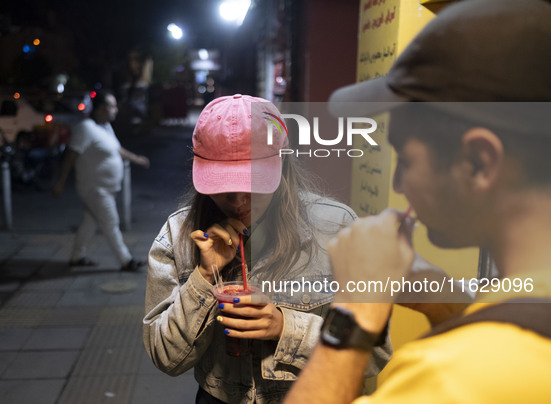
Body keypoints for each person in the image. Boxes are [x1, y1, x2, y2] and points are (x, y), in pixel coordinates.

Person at [285, 0, 551, 403]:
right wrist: (444, 300)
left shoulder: (452, 376)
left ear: (479, 162)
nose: (398, 183)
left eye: (406, 160)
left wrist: (354, 312)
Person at [143, 94, 392, 403]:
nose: (238, 202)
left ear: (283, 164)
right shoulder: (178, 235)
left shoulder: (337, 227)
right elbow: (165, 356)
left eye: (253, 185)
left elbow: (375, 353)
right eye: (223, 188)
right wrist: (204, 276)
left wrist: (285, 328)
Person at [52, 90, 150, 272]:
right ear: (99, 109)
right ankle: (126, 260)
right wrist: (61, 181)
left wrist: (137, 158)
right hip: (94, 189)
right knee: (110, 221)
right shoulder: (86, 128)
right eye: (111, 106)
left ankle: (76, 256)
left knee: (89, 222)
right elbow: (71, 155)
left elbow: (117, 150)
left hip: (105, 188)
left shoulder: (105, 128)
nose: (115, 110)